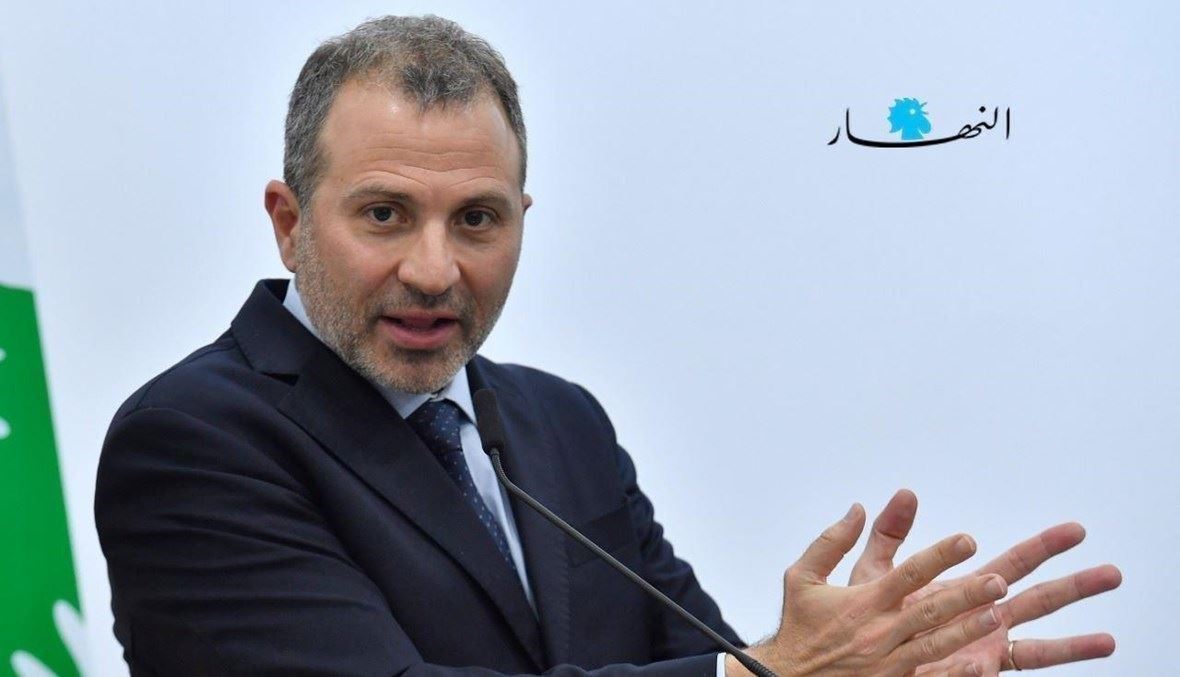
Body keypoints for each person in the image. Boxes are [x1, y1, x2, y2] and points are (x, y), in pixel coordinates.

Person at [94, 15, 1120, 677]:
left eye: (478, 220)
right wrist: (767, 674)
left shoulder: (561, 421)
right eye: (384, 214)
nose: (435, 270)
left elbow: (717, 659)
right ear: (288, 222)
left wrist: (872, 665)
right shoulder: (192, 439)